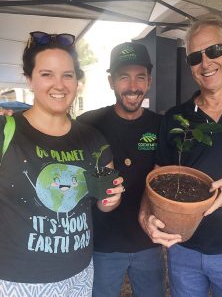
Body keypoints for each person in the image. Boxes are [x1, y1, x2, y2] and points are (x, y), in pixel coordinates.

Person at [139, 14, 222, 297]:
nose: (205, 63)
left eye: (214, 50)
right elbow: (157, 177)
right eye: (195, 57)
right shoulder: (175, 118)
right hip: (183, 251)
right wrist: (145, 216)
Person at [0, 31, 123, 296]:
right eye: (46, 74)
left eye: (68, 75)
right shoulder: (5, 131)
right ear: (29, 80)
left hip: (78, 276)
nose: (59, 84)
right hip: (16, 281)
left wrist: (111, 198)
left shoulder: (92, 138)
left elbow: (105, 202)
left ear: (77, 81)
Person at [77, 42, 175, 297]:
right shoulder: (89, 123)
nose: (133, 87)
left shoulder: (161, 125)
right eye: (124, 77)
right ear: (111, 81)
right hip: (103, 245)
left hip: (148, 243)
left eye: (139, 77)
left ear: (149, 81)